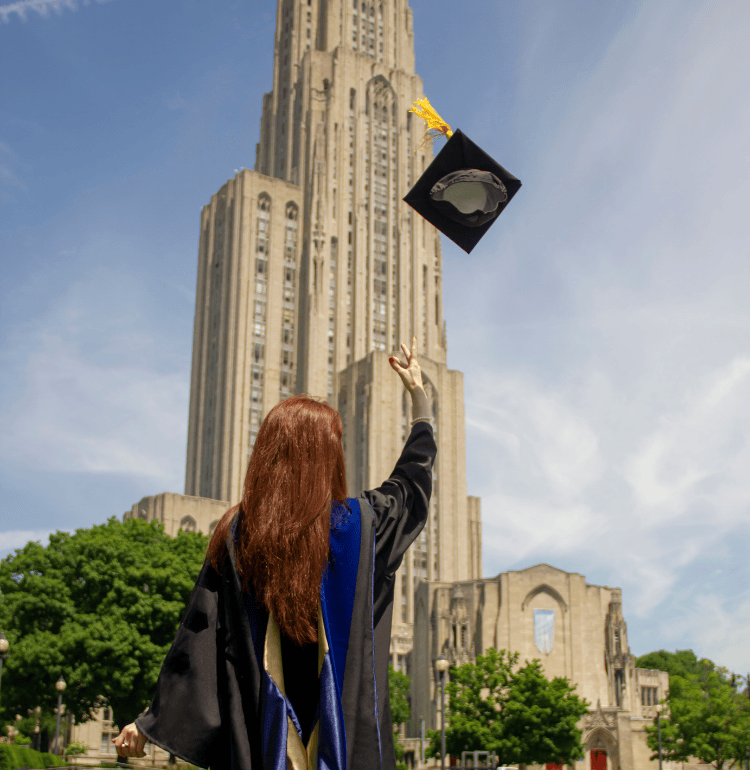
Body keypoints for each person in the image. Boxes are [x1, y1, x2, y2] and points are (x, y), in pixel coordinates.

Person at [112, 336, 436, 770]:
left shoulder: (237, 534)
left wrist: (151, 722)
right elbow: (411, 485)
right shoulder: (362, 525)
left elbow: (201, 639)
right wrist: (420, 402)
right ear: (330, 458)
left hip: (262, 748)